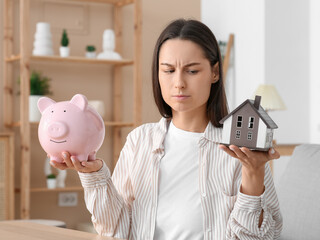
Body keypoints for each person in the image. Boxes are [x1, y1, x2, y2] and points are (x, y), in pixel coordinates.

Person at [51, 18, 282, 239]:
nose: (179, 82)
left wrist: (253, 175)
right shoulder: (139, 140)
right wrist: (94, 175)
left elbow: (263, 236)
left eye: (192, 71)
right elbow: (115, 229)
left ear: (214, 73)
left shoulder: (241, 149)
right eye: (169, 70)